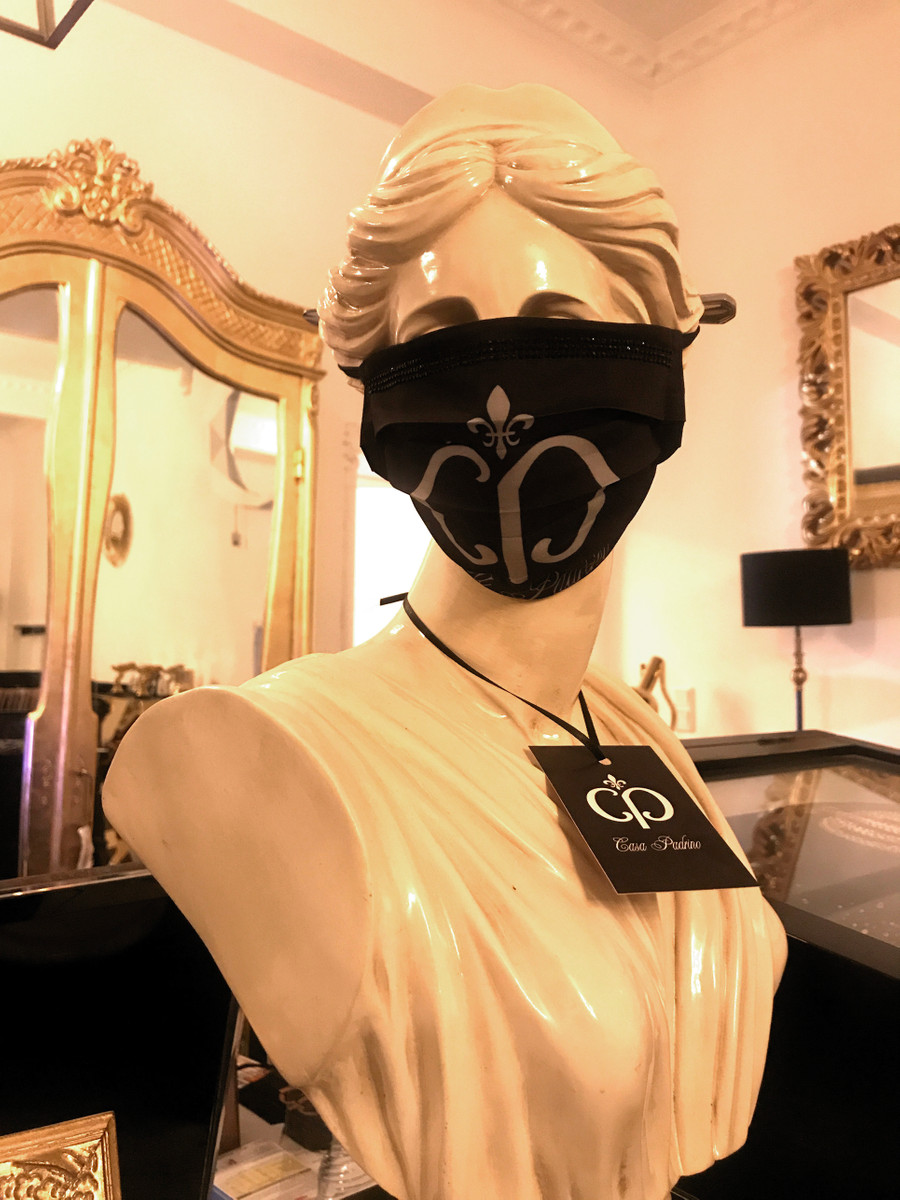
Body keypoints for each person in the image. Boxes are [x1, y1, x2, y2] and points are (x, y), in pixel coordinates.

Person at [104, 85, 786, 1200]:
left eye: (559, 322)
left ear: (665, 352)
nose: (503, 387)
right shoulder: (254, 752)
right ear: (373, 380)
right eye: (440, 336)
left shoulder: (633, 738)